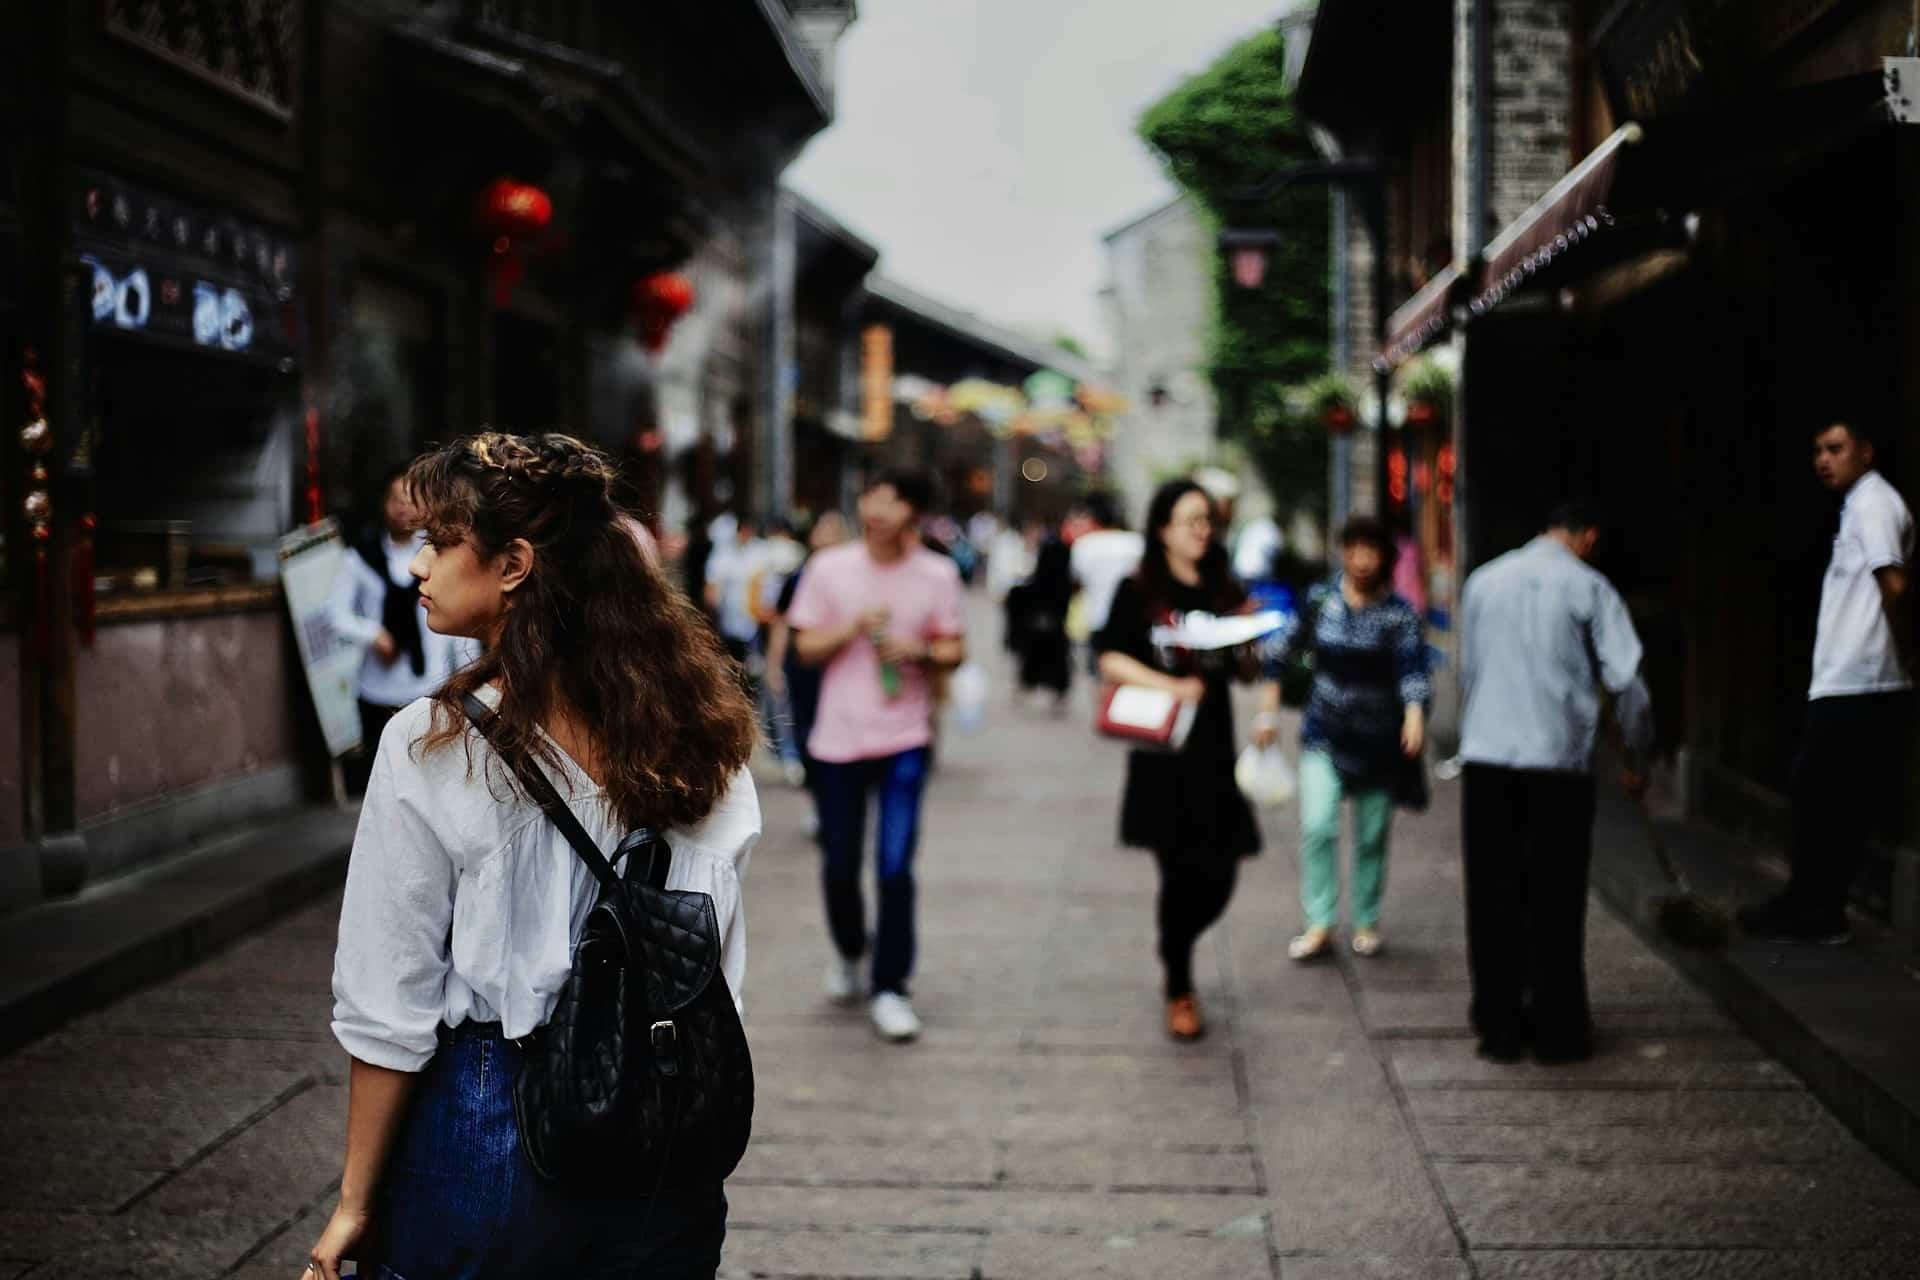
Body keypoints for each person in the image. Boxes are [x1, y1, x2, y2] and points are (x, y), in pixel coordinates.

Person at [312, 432, 761, 1279]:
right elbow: (715, 959)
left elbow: (387, 998)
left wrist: (355, 1203)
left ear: (514, 563)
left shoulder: (433, 742)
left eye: (440, 543)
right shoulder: (705, 734)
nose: (419, 567)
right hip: (664, 1128)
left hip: (493, 1114)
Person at [1458, 500, 1653, 1065]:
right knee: (1554, 899)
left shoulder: (1483, 581)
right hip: (1556, 766)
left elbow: (1471, 669)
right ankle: (1556, 1029)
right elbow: (1628, 682)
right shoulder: (1589, 587)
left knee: (1493, 897)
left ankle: (1498, 1025)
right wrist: (1638, 754)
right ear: (1588, 536)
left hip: (1488, 758)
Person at [787, 469, 967, 1043]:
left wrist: (921, 650)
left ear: (912, 511)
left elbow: (955, 647)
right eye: (870, 497)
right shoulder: (828, 568)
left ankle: (891, 987)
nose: (876, 509)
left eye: (891, 500)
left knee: (894, 867)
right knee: (839, 865)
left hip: (905, 738)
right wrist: (849, 630)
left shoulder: (937, 574)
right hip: (837, 741)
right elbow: (804, 647)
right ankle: (848, 950)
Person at [1092, 479, 1262, 1043]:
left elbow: (1247, 672)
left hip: (1213, 750)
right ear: (1162, 528)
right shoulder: (1138, 590)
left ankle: (1176, 944)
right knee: (1177, 871)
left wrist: (1250, 638)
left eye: (1207, 521)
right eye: (1190, 520)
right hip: (1163, 752)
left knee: (1222, 870)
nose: (1201, 531)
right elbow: (1110, 659)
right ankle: (1180, 987)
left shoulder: (1223, 587)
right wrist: (1171, 684)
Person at [1740, 421, 1913, 945]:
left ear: (1865, 450)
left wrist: (1906, 655)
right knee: (1822, 794)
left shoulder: (1873, 502)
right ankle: (1808, 905)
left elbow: (1896, 584)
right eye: (1817, 450)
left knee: (1823, 793)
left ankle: (1819, 911)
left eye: (1835, 449)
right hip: (1845, 676)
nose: (1823, 459)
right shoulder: (1858, 503)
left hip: (1861, 678)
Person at [1260, 517, 1429, 962]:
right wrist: (1267, 711)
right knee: (1318, 825)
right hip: (1324, 733)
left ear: (1385, 558)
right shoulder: (1320, 601)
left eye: (1370, 551)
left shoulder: (1399, 613)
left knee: (1372, 836)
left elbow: (1413, 669)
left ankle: (1367, 920)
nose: (1361, 560)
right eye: (1353, 549)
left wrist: (1414, 716)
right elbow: (1279, 652)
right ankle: (1319, 922)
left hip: (1378, 740)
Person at [326, 465, 475, 794]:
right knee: (381, 782)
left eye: (411, 499)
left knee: (428, 781)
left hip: (430, 684)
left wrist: (466, 676)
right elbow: (336, 614)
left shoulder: (439, 554)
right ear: (383, 504)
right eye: (396, 498)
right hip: (377, 688)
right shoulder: (360, 557)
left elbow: (461, 621)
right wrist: (373, 633)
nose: (403, 506)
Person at [765, 510, 851, 807]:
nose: (826, 537)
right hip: (802, 667)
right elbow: (781, 621)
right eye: (822, 530)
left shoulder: (853, 577)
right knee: (807, 732)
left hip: (840, 667)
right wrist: (774, 665)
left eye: (833, 531)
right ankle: (819, 797)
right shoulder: (799, 575)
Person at [1070, 492, 1145, 656]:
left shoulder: (1084, 546)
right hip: (1131, 620)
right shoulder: (1136, 543)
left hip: (1097, 619)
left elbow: (1076, 581)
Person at [1016, 533, 1074, 710]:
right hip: (1056, 626)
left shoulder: (1037, 582)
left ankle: (1030, 685)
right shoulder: (1065, 582)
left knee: (1035, 658)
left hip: (1038, 626)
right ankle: (1056, 691)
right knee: (1056, 660)